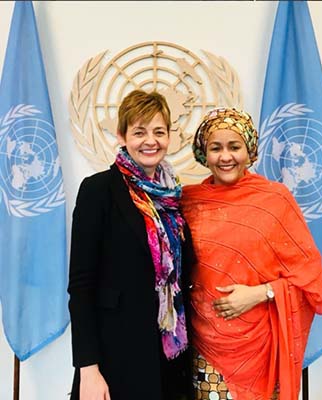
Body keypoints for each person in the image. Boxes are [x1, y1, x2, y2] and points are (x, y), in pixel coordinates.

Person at [181, 107, 322, 400]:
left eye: (234, 147)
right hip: (205, 346)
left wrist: (262, 293)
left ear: (249, 151)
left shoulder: (275, 201)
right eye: (216, 148)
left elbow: (310, 276)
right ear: (203, 153)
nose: (225, 157)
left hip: (263, 347)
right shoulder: (189, 202)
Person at [68, 90, 194, 400]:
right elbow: (81, 286)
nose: (150, 141)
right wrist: (88, 369)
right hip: (116, 357)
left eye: (158, 132)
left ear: (169, 137)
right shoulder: (98, 190)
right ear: (122, 135)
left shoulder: (174, 197)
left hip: (169, 357)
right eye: (139, 132)